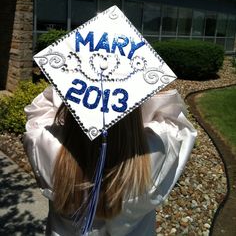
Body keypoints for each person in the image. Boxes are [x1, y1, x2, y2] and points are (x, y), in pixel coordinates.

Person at [24, 85, 197, 236]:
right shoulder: (156, 152)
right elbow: (175, 121)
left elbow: (40, 109)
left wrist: (72, 79)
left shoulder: (46, 146)